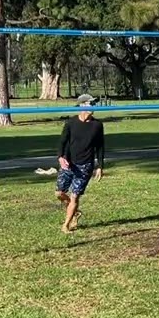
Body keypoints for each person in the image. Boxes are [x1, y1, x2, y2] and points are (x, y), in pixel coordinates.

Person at [55, 93, 104, 234]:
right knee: (59, 193)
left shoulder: (97, 125)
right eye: (91, 104)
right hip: (69, 164)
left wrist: (100, 166)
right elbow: (62, 142)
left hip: (85, 165)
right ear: (82, 105)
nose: (93, 107)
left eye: (94, 104)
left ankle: (66, 225)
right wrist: (60, 157)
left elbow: (100, 147)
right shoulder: (71, 123)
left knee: (75, 196)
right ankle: (75, 211)